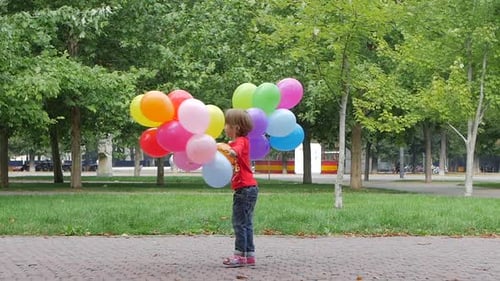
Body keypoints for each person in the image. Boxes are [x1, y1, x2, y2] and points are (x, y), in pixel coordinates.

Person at [220, 108, 259, 268]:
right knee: (246, 223)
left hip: (244, 189)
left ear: (235, 127)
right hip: (248, 188)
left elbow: (234, 153)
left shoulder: (241, 141)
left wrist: (220, 148)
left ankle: (239, 256)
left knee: (239, 223)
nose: (224, 128)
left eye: (226, 125)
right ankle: (249, 255)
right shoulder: (241, 141)